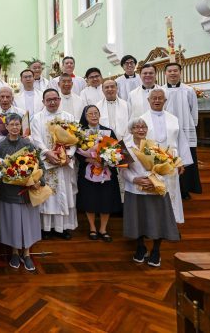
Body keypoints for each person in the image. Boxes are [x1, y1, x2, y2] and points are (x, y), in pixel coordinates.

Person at [121, 117, 180, 267]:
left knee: (158, 220)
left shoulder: (155, 146)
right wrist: (135, 180)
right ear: (131, 130)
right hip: (134, 190)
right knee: (137, 219)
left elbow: (165, 167)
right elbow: (123, 171)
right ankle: (140, 247)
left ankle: (156, 251)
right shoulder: (124, 147)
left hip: (155, 188)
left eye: (143, 127)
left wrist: (153, 181)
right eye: (136, 127)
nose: (140, 130)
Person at [0, 113, 42, 271]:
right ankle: (15, 252)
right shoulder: (1, 147)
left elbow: (39, 164)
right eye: (12, 124)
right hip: (9, 192)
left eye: (17, 124)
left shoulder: (28, 144)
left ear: (21, 126)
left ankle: (27, 253)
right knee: (12, 223)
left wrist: (37, 181)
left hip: (27, 191)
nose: (15, 127)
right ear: (6, 127)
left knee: (28, 223)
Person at [31, 89, 78, 239]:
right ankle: (46, 229)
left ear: (59, 100)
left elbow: (76, 138)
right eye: (49, 99)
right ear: (43, 101)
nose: (52, 102)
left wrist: (68, 156)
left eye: (55, 99)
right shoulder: (37, 118)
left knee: (64, 194)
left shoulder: (68, 117)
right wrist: (47, 152)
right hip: (47, 162)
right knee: (48, 196)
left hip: (64, 164)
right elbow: (36, 139)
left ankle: (62, 228)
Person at [140, 89, 189, 223]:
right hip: (151, 162)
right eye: (154, 98)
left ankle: (172, 222)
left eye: (160, 98)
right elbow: (139, 142)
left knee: (171, 192)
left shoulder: (173, 119)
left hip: (171, 161)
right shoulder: (141, 120)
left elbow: (181, 141)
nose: (157, 100)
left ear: (165, 101)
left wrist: (181, 162)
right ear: (148, 100)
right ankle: (154, 223)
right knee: (153, 190)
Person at [76, 105, 122, 242]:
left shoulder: (108, 131)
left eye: (96, 113)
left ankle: (103, 228)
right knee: (89, 199)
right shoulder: (81, 132)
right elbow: (76, 153)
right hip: (87, 171)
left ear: (100, 114)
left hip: (106, 172)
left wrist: (106, 160)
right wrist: (90, 159)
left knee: (105, 199)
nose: (94, 116)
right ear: (85, 116)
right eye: (90, 114)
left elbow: (117, 151)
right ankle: (92, 228)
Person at [162, 63, 202, 200]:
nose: (173, 73)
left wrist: (192, 126)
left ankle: (186, 189)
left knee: (186, 159)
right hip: (168, 131)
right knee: (169, 157)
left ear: (180, 72)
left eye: (175, 71)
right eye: (170, 71)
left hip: (185, 128)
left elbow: (194, 110)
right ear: (165, 73)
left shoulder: (189, 90)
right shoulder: (161, 91)